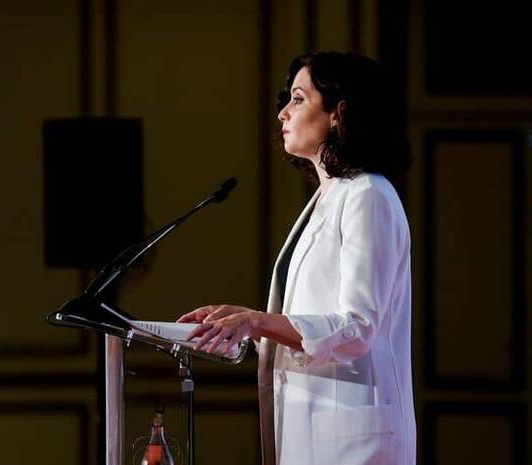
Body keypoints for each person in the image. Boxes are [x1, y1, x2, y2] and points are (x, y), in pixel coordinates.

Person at [177, 51, 415, 465]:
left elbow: (358, 326)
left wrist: (257, 321)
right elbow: (311, 317)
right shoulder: (327, 197)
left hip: (354, 441)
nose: (283, 112)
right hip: (311, 426)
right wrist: (245, 323)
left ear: (339, 113)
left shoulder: (368, 194)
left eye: (299, 99)